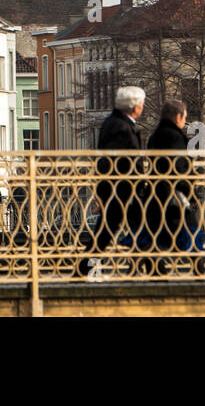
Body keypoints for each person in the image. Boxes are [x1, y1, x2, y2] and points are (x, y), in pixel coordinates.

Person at [80, 86, 146, 275]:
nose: (142, 107)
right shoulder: (120, 126)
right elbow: (112, 161)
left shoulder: (115, 122)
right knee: (134, 231)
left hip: (121, 189)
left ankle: (86, 269)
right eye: (141, 104)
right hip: (123, 190)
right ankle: (148, 270)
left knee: (117, 232)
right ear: (135, 107)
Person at [147, 97, 205, 271]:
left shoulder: (154, 136)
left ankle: (155, 270)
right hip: (174, 194)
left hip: (156, 193)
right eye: (184, 117)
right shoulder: (174, 137)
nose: (186, 121)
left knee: (155, 236)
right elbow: (179, 167)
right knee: (192, 232)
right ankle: (199, 270)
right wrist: (191, 192)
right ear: (178, 117)